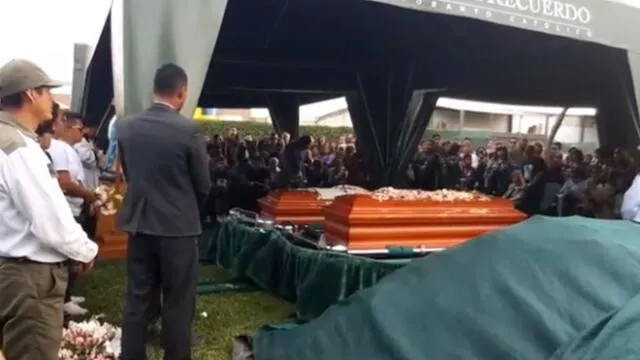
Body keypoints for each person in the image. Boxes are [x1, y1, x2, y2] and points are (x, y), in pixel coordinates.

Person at [0, 59, 98, 360]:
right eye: (46, 92)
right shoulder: (21, 149)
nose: (52, 101)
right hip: (28, 279)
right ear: (30, 94)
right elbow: (50, 221)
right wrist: (85, 250)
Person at [117, 63, 211, 360]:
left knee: (137, 299)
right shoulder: (188, 130)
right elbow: (203, 184)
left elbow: (131, 173)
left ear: (154, 90)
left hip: (141, 224)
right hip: (178, 229)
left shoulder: (127, 127)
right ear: (182, 92)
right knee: (178, 302)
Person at [47, 111, 98, 315]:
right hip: (67, 207)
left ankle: (68, 292)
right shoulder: (58, 149)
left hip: (77, 205)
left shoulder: (70, 149)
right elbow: (65, 182)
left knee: (71, 258)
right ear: (66, 127)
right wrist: (90, 195)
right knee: (67, 255)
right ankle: (64, 299)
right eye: (79, 129)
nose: (82, 133)